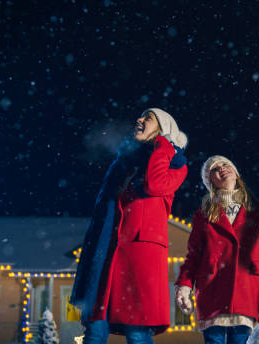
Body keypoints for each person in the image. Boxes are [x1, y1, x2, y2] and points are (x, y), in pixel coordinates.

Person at [70, 108, 188, 344]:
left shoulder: (175, 164)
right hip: (107, 252)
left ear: (164, 128)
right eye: (141, 117)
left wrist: (163, 145)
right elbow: (103, 207)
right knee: (94, 328)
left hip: (139, 253)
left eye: (148, 118)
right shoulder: (123, 163)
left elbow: (154, 185)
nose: (140, 120)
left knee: (137, 330)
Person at [175, 155, 259, 344]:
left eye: (225, 164)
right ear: (211, 181)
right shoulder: (202, 215)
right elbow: (193, 255)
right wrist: (184, 287)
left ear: (236, 173)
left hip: (245, 290)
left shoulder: (257, 213)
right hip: (211, 291)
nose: (221, 168)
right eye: (214, 169)